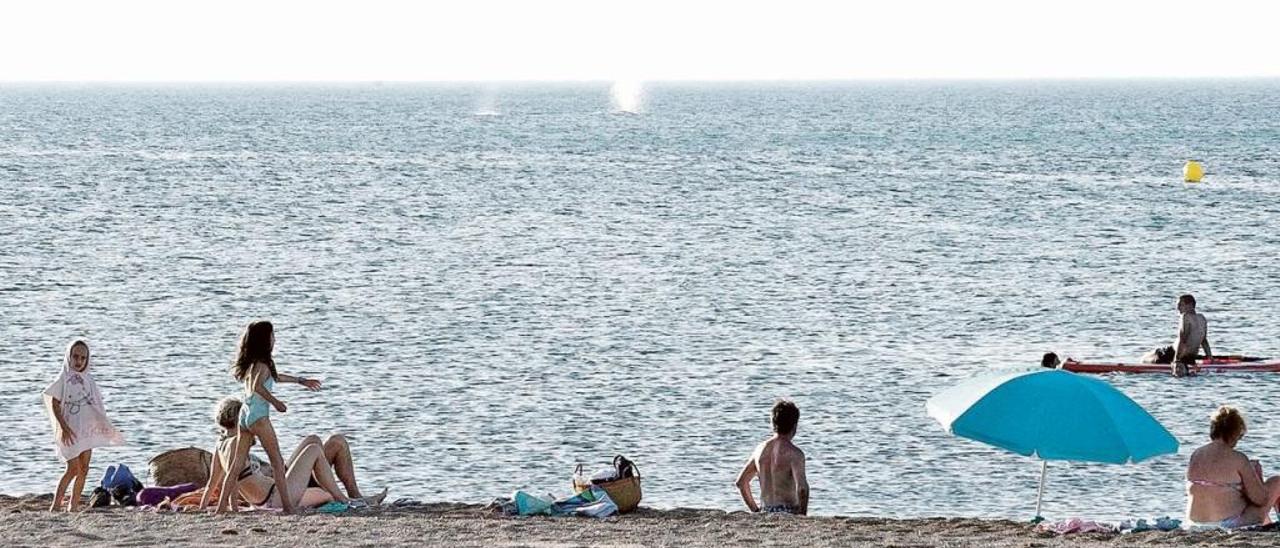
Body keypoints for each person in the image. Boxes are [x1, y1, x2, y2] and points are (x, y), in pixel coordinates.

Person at [199, 398, 385, 511]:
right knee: (313, 451)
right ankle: (345, 500)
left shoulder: (221, 444)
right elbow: (231, 477)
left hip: (277, 488)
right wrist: (225, 509)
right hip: (277, 497)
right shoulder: (237, 444)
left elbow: (215, 483)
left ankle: (352, 495)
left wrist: (214, 508)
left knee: (313, 440)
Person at [215, 321, 322, 514]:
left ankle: (221, 507)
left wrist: (301, 381)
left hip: (244, 416)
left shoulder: (252, 364)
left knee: (235, 464)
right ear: (266, 340)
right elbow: (258, 387)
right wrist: (276, 402)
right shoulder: (263, 363)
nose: (275, 339)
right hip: (258, 416)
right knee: (278, 463)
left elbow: (275, 377)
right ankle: (289, 507)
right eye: (272, 335)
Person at [44, 340, 124, 512]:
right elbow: (54, 403)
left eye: (82, 358)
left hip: (85, 431)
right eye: (75, 357)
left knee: (84, 468)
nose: (78, 361)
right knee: (72, 468)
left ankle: (73, 505)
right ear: (68, 357)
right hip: (69, 431)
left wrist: (103, 425)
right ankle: (56, 504)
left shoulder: (89, 380)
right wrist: (63, 428)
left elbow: (94, 405)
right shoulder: (63, 378)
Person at [1185, 406, 1280, 528]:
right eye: (1240, 435)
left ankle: (1269, 524)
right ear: (1234, 433)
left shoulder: (1196, 454)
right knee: (1277, 481)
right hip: (1228, 523)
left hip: (1195, 523)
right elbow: (1260, 499)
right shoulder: (1238, 458)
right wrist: (1255, 476)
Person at [735, 400, 809, 515]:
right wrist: (802, 515)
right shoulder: (795, 454)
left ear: (773, 423)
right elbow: (802, 489)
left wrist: (755, 510)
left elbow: (741, 482)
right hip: (788, 510)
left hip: (766, 510)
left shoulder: (760, 450)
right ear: (794, 426)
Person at [1172, 294, 1211, 377]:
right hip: (1191, 357)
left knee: (1151, 356)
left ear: (1190, 305)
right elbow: (1204, 341)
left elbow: (1182, 340)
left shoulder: (1185, 316)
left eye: (1180, 305)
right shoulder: (1202, 318)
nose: (1178, 308)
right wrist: (1210, 358)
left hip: (1177, 355)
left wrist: (1176, 360)